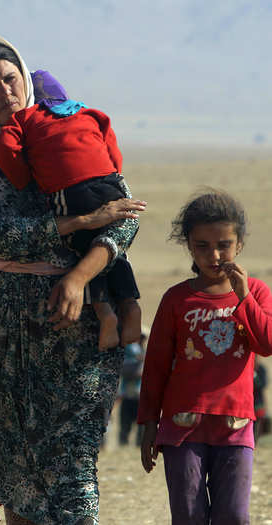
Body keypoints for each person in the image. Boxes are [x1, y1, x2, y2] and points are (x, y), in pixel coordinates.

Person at [0, 34, 145, 524]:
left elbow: (124, 216)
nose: (4, 92)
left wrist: (80, 276)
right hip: (11, 330)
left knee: (73, 457)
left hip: (79, 325)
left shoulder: (63, 130)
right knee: (17, 462)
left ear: (25, 80)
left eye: (10, 79)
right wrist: (76, 224)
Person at [138, 191, 272, 525]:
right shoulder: (176, 299)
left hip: (236, 426)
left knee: (235, 517)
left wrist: (242, 297)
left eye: (224, 244)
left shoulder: (256, 293)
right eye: (202, 246)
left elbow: (267, 343)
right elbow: (155, 366)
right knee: (188, 516)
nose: (214, 255)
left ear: (239, 244)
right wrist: (149, 425)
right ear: (189, 246)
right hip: (183, 427)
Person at [0, 70, 141, 351]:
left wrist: (23, 178)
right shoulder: (90, 112)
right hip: (109, 184)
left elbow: (6, 147)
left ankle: (105, 314)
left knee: (81, 246)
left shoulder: (25, 117)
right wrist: (111, 176)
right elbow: (112, 146)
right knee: (112, 246)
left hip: (70, 190)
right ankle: (130, 305)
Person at [118, 330, 146, 446]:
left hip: (139, 396)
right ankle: (124, 445)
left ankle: (137, 445)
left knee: (140, 427)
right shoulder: (129, 354)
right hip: (128, 395)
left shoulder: (143, 354)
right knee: (125, 425)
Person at [253, 356, 269, 443]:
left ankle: (255, 443)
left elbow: (263, 384)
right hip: (247, 405)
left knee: (257, 428)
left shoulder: (261, 369)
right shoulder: (247, 369)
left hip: (258, 404)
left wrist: (254, 376)